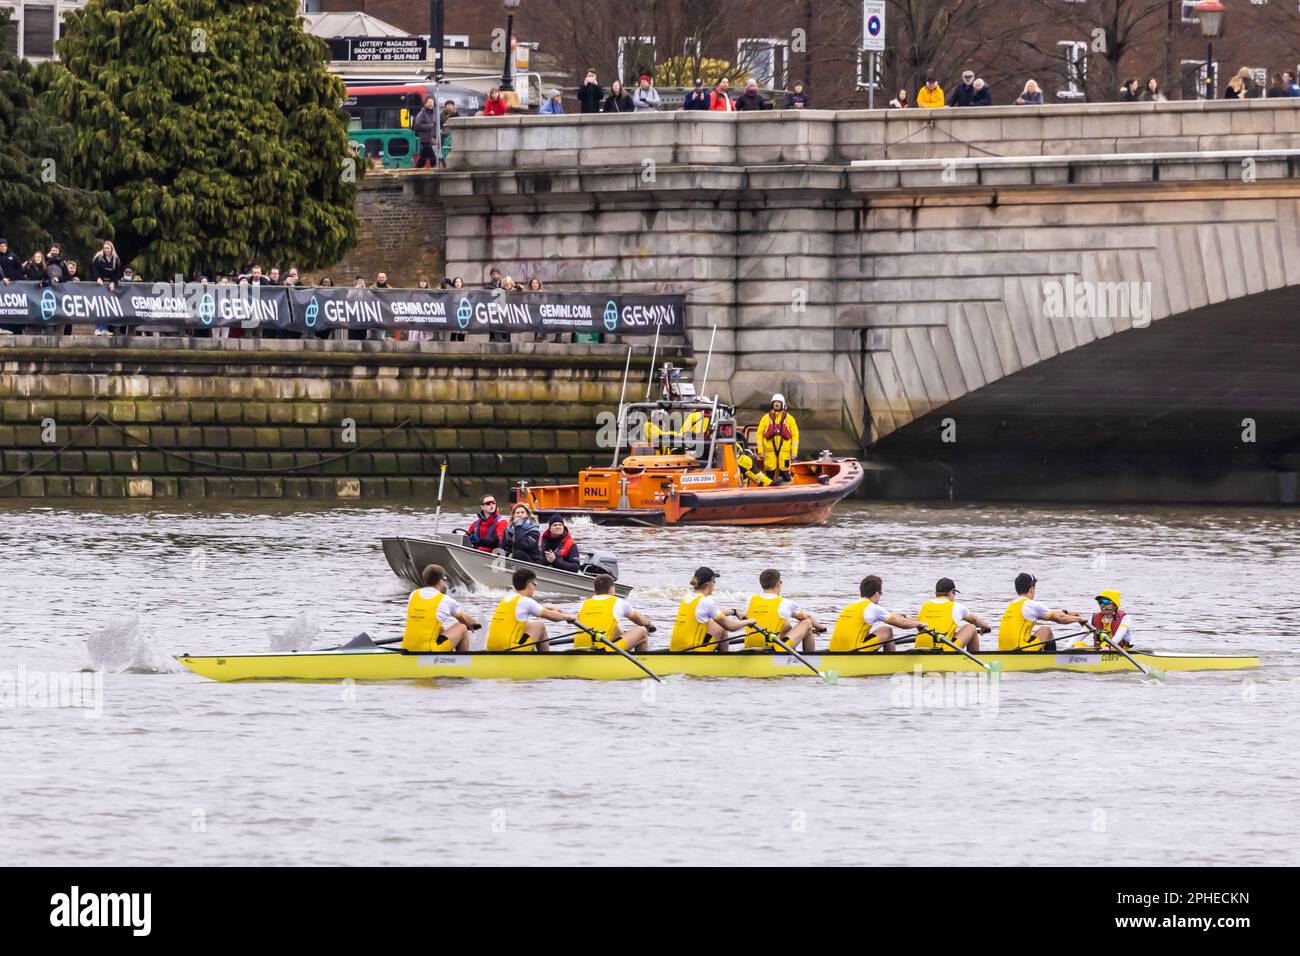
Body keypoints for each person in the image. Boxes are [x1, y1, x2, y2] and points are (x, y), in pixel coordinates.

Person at [485, 567, 576, 653]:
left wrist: (547, 606)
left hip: (492, 649)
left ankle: (533, 655)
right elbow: (554, 617)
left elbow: (529, 607)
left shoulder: (507, 598)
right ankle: (546, 661)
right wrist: (569, 617)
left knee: (527, 624)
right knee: (539, 626)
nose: (535, 588)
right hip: (510, 651)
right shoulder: (526, 601)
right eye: (535, 584)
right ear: (529, 584)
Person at [828, 575, 925, 652]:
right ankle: (890, 664)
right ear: (877, 593)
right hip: (853, 651)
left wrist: (901, 616)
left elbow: (889, 616)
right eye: (880, 594)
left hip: (834, 649)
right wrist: (919, 623)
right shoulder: (873, 608)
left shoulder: (851, 606)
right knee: (887, 631)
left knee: (866, 633)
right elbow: (902, 624)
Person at [669, 567, 756, 653]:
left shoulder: (687, 596)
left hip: (676, 648)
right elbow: (731, 626)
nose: (715, 584)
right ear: (710, 583)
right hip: (693, 651)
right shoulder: (706, 601)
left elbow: (715, 611)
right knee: (722, 626)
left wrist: (734, 611)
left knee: (713, 622)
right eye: (714, 581)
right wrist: (748, 622)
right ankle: (725, 660)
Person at [997, 572, 1087, 652]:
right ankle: (1052, 661)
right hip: (1018, 650)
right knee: (1046, 630)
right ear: (1032, 589)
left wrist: (1066, 612)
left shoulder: (1013, 605)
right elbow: (1060, 619)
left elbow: (1051, 613)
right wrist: (1079, 618)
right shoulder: (1031, 604)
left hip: (1003, 651)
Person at [402, 564, 479, 653]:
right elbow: (464, 619)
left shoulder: (413, 595)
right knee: (462, 627)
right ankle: (461, 662)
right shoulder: (445, 600)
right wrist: (476, 625)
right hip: (429, 650)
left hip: (407, 647)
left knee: (440, 629)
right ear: (441, 581)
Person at [743, 568, 818, 652]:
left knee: (787, 626)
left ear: (762, 584)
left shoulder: (750, 600)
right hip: (773, 648)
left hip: (749, 646)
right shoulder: (785, 603)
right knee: (807, 624)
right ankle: (810, 658)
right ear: (779, 584)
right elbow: (806, 617)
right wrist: (820, 627)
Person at [574, 574, 652, 653]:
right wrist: (649, 624)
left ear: (595, 589)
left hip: (579, 649)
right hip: (602, 651)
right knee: (642, 631)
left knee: (619, 629)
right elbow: (640, 620)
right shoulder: (618, 602)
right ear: (611, 589)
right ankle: (642, 660)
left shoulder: (584, 604)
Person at [916, 577, 992, 652]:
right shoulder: (956, 606)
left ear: (936, 593)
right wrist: (985, 627)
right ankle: (972, 661)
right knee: (971, 627)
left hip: (919, 649)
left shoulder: (923, 606)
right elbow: (975, 621)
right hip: (943, 650)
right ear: (951, 592)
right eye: (954, 593)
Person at [756, 393, 799, 484]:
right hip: (769, 452)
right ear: (772, 404)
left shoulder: (790, 419)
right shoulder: (765, 418)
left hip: (785, 452)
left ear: (782, 404)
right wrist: (760, 451)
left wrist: (794, 452)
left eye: (779, 402)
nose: (777, 404)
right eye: (775, 402)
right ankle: (768, 493)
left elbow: (795, 435)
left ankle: (787, 493)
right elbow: (759, 435)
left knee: (786, 475)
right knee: (769, 474)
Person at [412, 96, 440, 169]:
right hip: (424, 139)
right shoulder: (422, 113)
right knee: (432, 157)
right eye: (429, 102)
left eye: (432, 102)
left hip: (431, 139)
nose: (431, 104)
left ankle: (417, 168)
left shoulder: (434, 114)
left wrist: (435, 136)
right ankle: (435, 170)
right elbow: (417, 126)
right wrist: (429, 126)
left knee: (423, 157)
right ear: (425, 104)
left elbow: (435, 126)